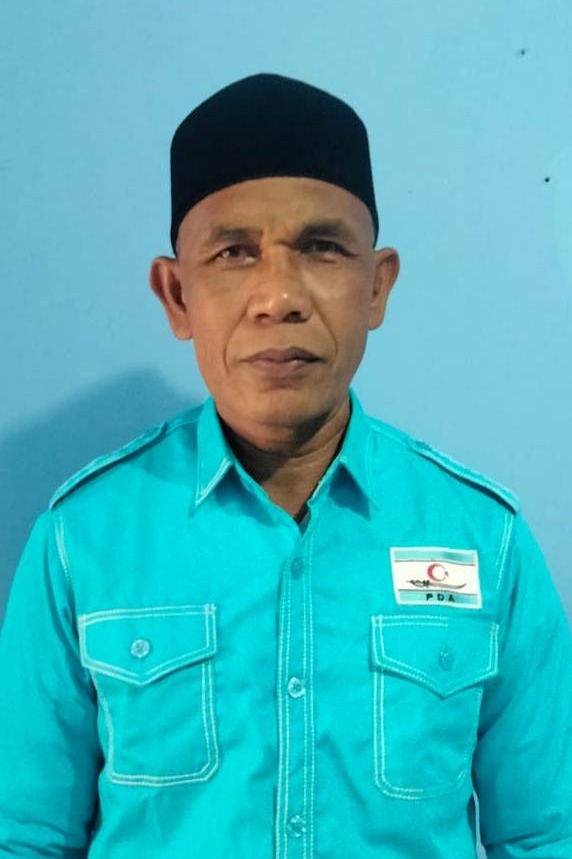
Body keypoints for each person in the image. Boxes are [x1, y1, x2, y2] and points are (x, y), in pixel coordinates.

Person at [0, 72, 570, 859]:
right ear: (176, 295)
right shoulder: (82, 540)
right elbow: (24, 834)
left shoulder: (486, 539)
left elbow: (545, 833)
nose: (278, 297)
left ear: (376, 287)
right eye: (235, 252)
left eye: (322, 247)